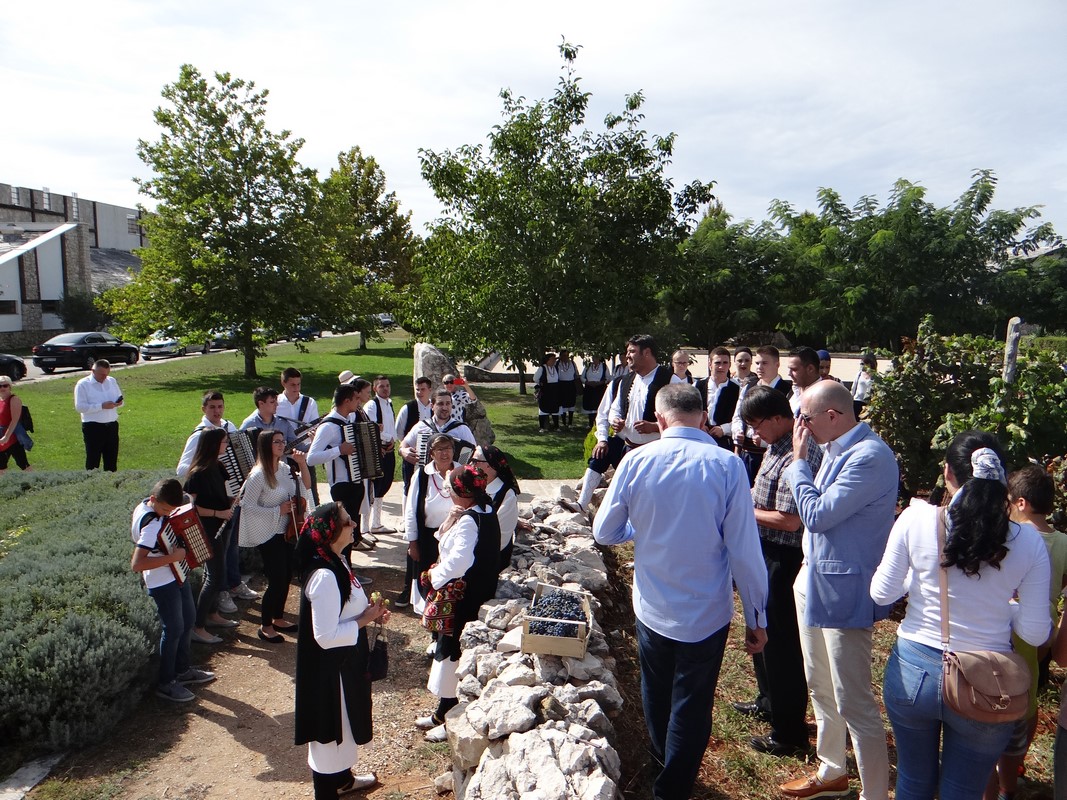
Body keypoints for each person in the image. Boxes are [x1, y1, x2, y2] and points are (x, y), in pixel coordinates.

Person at [593, 384, 768, 800]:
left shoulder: (636, 460)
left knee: (656, 692)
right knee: (692, 702)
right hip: (706, 609)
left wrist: (643, 530)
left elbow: (605, 530)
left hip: (653, 604)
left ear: (662, 418)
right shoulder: (727, 466)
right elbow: (744, 550)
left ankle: (662, 764)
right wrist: (757, 617)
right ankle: (673, 787)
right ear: (703, 417)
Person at [871, 432, 1052, 800]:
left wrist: (918, 578)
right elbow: (1034, 634)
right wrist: (1007, 608)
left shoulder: (915, 519)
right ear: (1002, 479)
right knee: (963, 792)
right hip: (987, 680)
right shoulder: (1030, 541)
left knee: (912, 783)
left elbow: (882, 593)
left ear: (947, 474)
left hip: (914, 670)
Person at [780, 379, 897, 800]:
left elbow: (817, 515)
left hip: (844, 590)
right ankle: (832, 771)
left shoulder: (869, 457)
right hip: (812, 578)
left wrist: (797, 463)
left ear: (833, 416)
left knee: (854, 701)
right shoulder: (834, 447)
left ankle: (874, 794)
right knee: (820, 683)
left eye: (805, 418)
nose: (801, 426)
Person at [731, 385, 822, 758]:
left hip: (784, 558)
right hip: (763, 551)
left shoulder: (801, 451)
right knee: (758, 626)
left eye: (757, 425)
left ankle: (789, 732)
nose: (754, 433)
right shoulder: (776, 445)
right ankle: (768, 701)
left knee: (780, 642)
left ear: (776, 418)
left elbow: (789, 520)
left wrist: (738, 510)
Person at [294, 502, 390, 799]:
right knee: (330, 738)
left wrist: (370, 612)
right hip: (330, 674)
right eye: (348, 521)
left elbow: (346, 609)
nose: (354, 525)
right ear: (333, 531)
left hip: (344, 663)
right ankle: (327, 791)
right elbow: (324, 636)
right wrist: (365, 620)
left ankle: (344, 781)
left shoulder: (337, 559)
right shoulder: (324, 576)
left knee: (343, 733)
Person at [985, 464, 1067, 800]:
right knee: (1028, 697)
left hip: (1003, 630)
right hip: (1043, 636)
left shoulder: (1009, 536)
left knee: (991, 707)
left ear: (1020, 503)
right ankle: (1011, 778)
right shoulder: (1063, 542)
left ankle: (989, 784)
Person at [415, 465, 500, 744]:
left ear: (462, 492)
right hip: (475, 591)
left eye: (451, 486)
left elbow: (460, 561)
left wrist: (433, 577)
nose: (448, 489)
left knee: (451, 651)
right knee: (448, 648)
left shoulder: (469, 520)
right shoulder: (481, 512)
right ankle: (443, 711)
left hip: (464, 596)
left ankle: (449, 715)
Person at [568, 334, 681, 514]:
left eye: (632, 352)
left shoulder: (671, 382)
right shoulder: (625, 381)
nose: (627, 356)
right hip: (627, 445)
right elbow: (612, 410)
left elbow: (682, 419)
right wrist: (614, 424)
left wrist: (654, 426)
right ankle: (582, 503)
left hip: (656, 449)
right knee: (600, 453)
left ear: (647, 352)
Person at [131, 478, 216, 702]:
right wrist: (173, 557)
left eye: (172, 510)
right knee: (174, 629)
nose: (169, 514)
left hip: (176, 574)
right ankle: (166, 682)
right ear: (153, 500)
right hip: (162, 581)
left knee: (188, 619)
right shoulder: (152, 525)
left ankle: (183, 670)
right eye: (165, 510)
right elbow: (137, 564)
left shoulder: (149, 508)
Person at [175, 390, 257, 613]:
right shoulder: (200, 435)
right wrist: (209, 460)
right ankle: (219, 593)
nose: (217, 411)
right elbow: (182, 469)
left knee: (232, 546)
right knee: (218, 555)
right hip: (211, 505)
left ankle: (233, 584)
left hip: (228, 497)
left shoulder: (230, 428)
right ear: (204, 409)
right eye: (212, 407)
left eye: (220, 406)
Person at [240, 430, 311, 643]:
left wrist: (303, 464)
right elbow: (247, 506)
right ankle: (266, 625)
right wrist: (276, 511)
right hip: (267, 532)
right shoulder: (257, 475)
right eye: (276, 442)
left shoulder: (284, 468)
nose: (281, 445)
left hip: (286, 531)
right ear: (265, 446)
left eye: (282, 441)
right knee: (277, 579)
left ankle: (278, 617)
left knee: (287, 575)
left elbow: (305, 488)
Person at [183, 428, 238, 645]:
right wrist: (218, 512)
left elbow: (221, 493)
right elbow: (191, 508)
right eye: (224, 442)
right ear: (214, 444)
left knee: (215, 573)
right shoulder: (197, 473)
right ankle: (198, 626)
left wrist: (231, 501)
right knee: (215, 576)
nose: (226, 446)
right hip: (208, 528)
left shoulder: (219, 465)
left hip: (222, 525)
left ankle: (213, 614)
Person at [403, 434, 459, 612]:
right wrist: (413, 542)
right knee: (429, 578)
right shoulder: (422, 475)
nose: (445, 454)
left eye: (448, 448)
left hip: (455, 536)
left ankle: (448, 613)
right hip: (428, 538)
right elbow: (411, 510)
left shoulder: (461, 472)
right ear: (431, 454)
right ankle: (430, 614)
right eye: (440, 449)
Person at [732, 346, 792, 484]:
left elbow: (786, 424)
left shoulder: (786, 390)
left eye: (765, 363)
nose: (759, 367)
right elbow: (738, 415)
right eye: (757, 363)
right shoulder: (749, 386)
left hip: (773, 453)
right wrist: (738, 431)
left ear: (777, 364)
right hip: (747, 451)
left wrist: (764, 441)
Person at [470, 444, 520, 572]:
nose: (471, 464)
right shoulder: (473, 486)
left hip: (488, 560)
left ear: (490, 465)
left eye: (475, 461)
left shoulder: (507, 495)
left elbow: (500, 536)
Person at [278, 367, 322, 505]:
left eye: (298, 384)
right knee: (286, 493)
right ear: (283, 383)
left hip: (304, 454)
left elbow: (315, 426)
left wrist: (314, 437)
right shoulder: (275, 402)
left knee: (310, 492)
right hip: (283, 456)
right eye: (292, 384)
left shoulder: (309, 402)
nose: (296, 388)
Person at [399, 390, 475, 463]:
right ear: (432, 406)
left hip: (453, 475)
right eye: (440, 404)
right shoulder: (422, 426)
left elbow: (474, 453)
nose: (445, 408)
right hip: (427, 474)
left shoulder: (462, 429)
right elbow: (404, 444)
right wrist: (402, 451)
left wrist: (462, 464)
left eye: (448, 403)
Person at [75, 359, 123, 471]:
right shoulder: (83, 384)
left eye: (107, 374)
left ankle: (112, 484)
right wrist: (101, 406)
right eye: (101, 374)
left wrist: (119, 403)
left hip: (111, 425)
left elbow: (120, 398)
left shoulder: (111, 381)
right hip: (93, 427)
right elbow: (80, 407)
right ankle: (92, 484)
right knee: (93, 460)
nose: (104, 377)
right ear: (93, 370)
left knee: (111, 461)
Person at [363, 375, 397, 534]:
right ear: (375, 388)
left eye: (388, 385)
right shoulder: (372, 405)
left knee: (384, 485)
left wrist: (393, 439)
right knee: (372, 487)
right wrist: (385, 439)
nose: (386, 388)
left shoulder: (389, 403)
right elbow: (372, 427)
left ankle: (376, 523)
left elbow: (389, 426)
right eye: (382, 386)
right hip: (378, 451)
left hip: (389, 449)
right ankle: (365, 527)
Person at [695, 346, 740, 449]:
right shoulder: (697, 386)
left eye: (725, 363)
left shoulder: (738, 389)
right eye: (717, 363)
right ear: (710, 364)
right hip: (700, 438)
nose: (721, 367)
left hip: (725, 442)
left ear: (729, 365)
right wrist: (699, 425)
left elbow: (742, 418)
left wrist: (724, 429)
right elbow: (689, 411)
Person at [395, 376, 433, 497]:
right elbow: (399, 431)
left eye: (423, 389)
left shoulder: (435, 408)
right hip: (413, 454)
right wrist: (407, 446)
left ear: (429, 390)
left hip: (432, 454)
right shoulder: (407, 408)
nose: (419, 392)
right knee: (409, 486)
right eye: (417, 389)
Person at [0, 375, 31, 473]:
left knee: (23, 465)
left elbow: (15, 420)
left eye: (5, 386)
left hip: (13, 437)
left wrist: (6, 436)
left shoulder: (14, 399)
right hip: (1, 436)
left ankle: (39, 483)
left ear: (10, 386)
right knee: (1, 466)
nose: (2, 388)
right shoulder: (0, 400)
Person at [786, 346, 822, 416]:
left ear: (810, 369)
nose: (789, 374)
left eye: (794, 369)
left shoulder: (825, 396)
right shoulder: (792, 392)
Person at [580, 355, 609, 430]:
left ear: (599, 358)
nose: (594, 359)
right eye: (593, 358)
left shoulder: (604, 366)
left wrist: (601, 382)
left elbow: (608, 378)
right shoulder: (588, 365)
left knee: (598, 405)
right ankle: (590, 423)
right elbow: (582, 377)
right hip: (589, 388)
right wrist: (587, 382)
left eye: (596, 358)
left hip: (600, 388)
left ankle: (598, 423)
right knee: (590, 406)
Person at [533, 353, 561, 433]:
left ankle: (556, 426)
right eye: (552, 359)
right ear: (547, 360)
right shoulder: (542, 368)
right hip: (546, 391)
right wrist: (542, 383)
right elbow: (535, 378)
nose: (554, 361)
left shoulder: (555, 368)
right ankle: (542, 427)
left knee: (555, 408)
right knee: (543, 408)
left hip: (555, 390)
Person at [556, 349, 579, 428]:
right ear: (560, 356)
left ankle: (570, 422)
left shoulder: (572, 363)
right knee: (563, 404)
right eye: (563, 356)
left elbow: (576, 374)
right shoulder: (557, 364)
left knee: (571, 403)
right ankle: (564, 422)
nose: (565, 357)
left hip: (571, 384)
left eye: (567, 356)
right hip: (561, 385)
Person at [851, 353, 877, 417]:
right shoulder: (859, 374)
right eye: (863, 363)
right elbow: (853, 388)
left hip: (868, 403)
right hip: (857, 401)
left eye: (866, 363)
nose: (864, 365)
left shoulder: (875, 377)